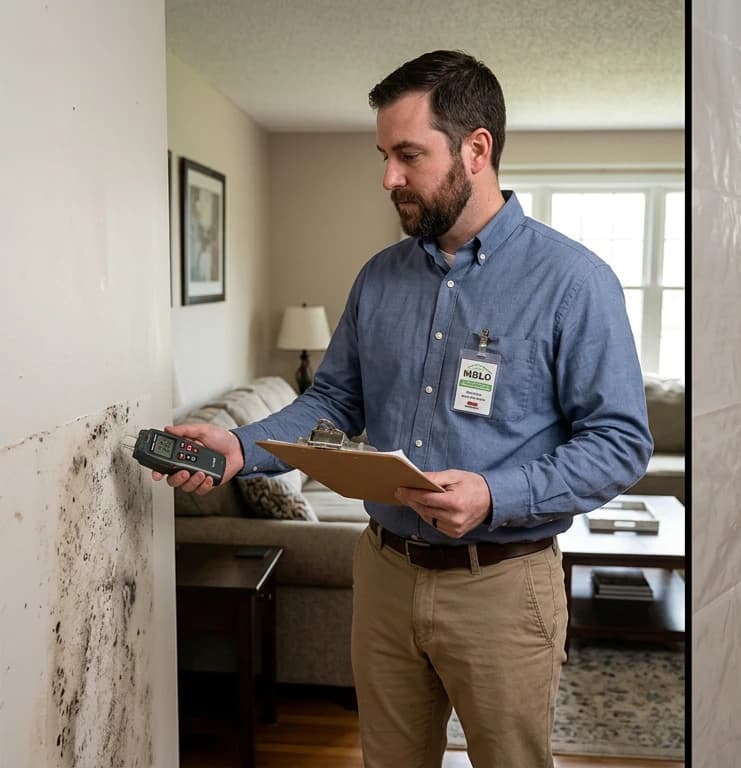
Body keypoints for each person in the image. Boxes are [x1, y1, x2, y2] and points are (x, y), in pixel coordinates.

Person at [153, 50, 652, 767]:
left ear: (476, 149)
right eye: (384, 155)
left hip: (504, 586)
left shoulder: (575, 281)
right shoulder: (379, 278)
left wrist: (492, 493)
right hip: (383, 575)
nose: (389, 178)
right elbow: (331, 400)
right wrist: (238, 446)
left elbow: (619, 442)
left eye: (408, 155)